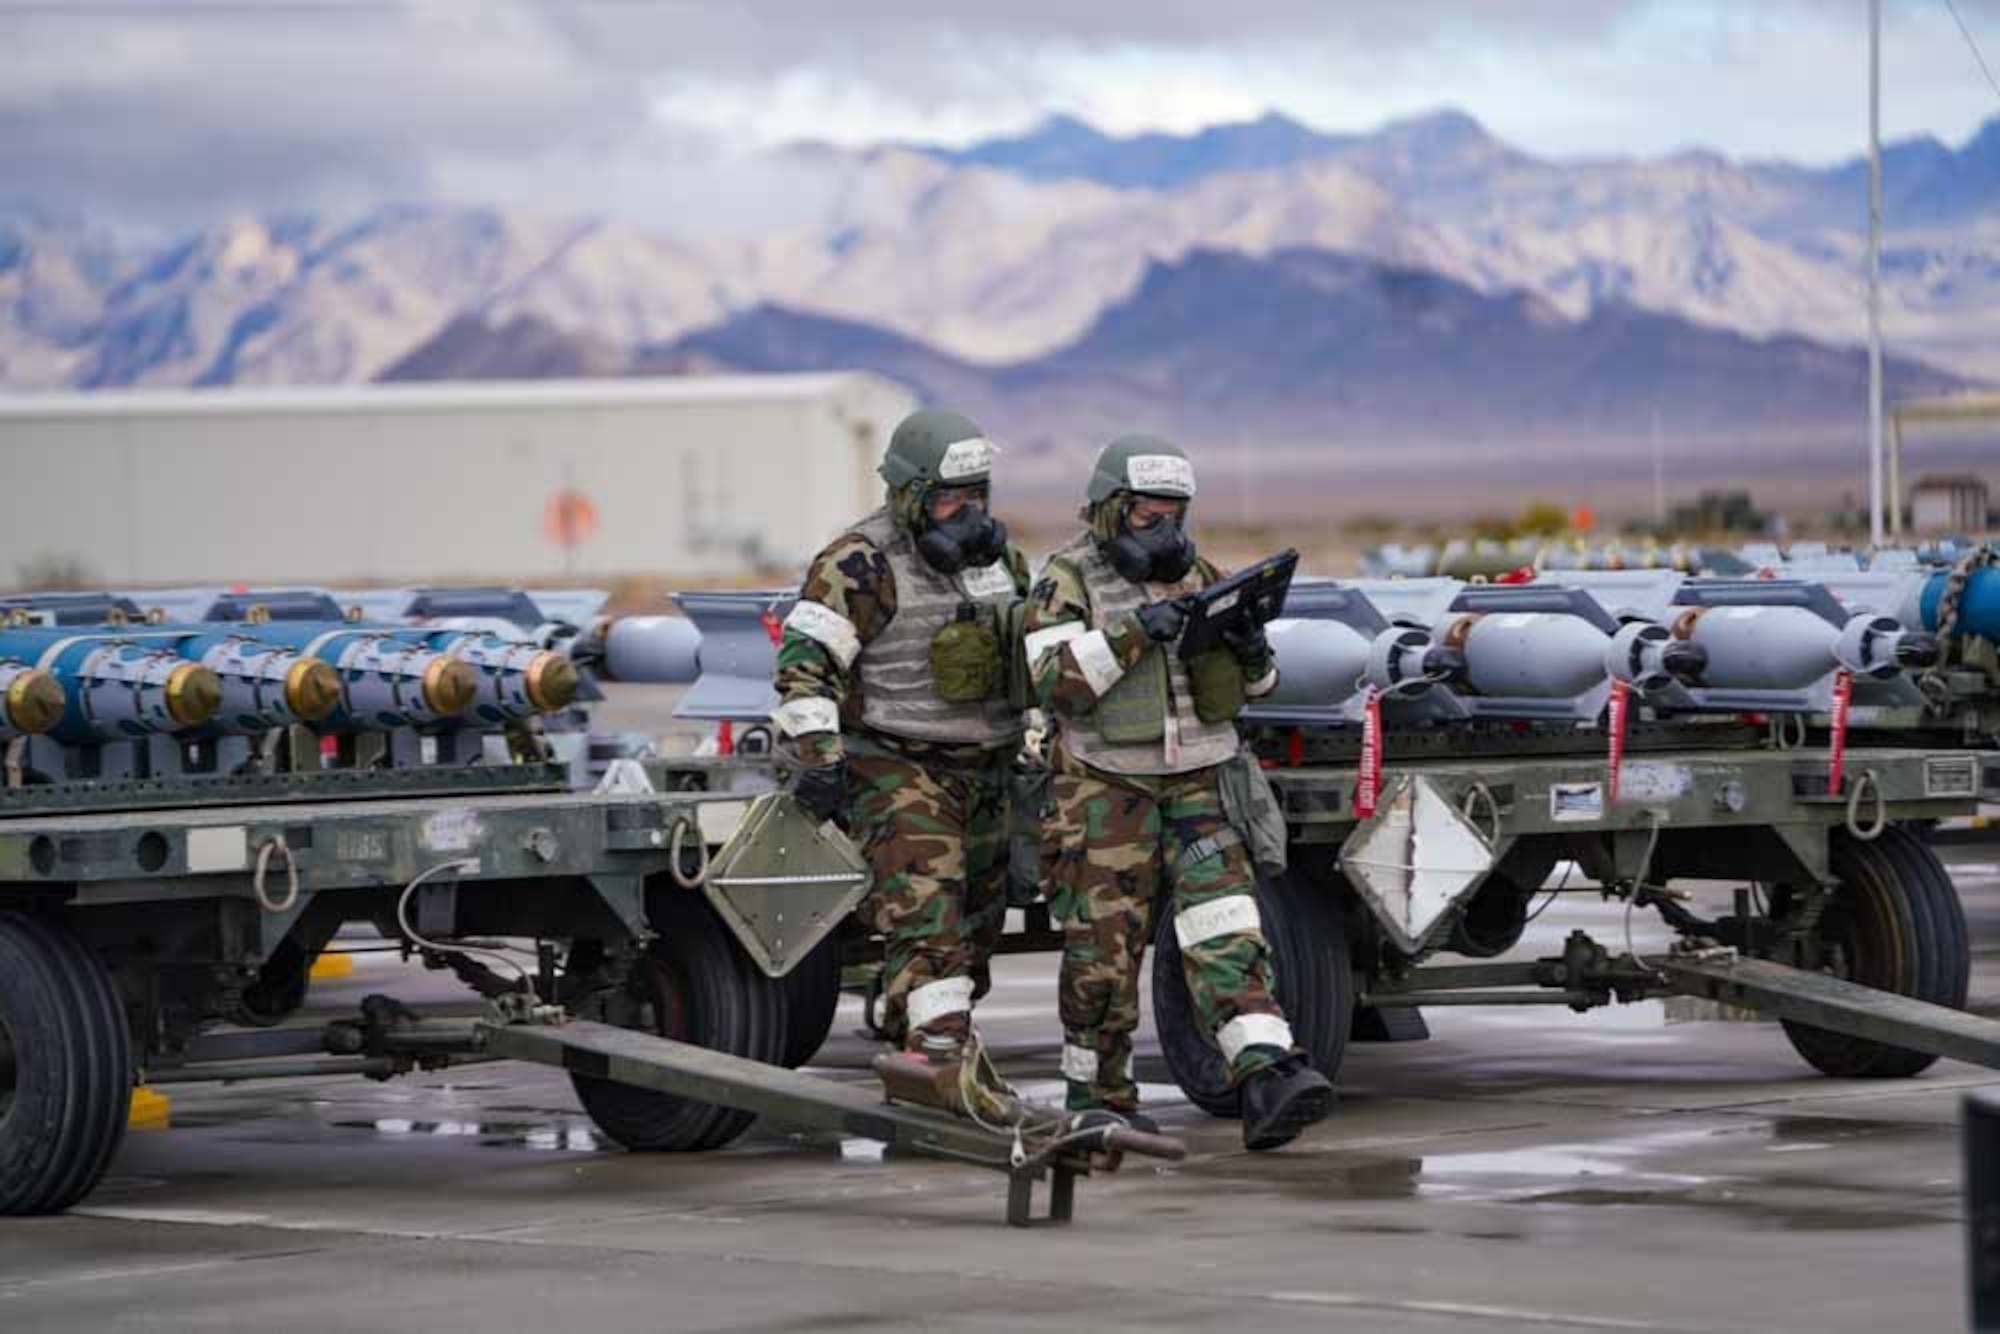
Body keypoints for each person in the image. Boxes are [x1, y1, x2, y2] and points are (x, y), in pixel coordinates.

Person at [1023, 433, 1334, 1150]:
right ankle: (1097, 1097)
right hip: (1105, 791)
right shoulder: (1065, 581)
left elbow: (1252, 690)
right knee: (1104, 953)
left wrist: (1254, 650)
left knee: (1227, 933)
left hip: (1199, 784)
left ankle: (1266, 1075)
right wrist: (1135, 633)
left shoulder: (1200, 574)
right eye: (1145, 516)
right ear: (1108, 512)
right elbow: (1051, 683)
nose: (1162, 530)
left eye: (1173, 514)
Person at [773, 408, 1028, 1062]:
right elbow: (805, 666)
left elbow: (1035, 652)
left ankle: (909, 1021)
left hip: (990, 770)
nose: (966, 514)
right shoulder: (858, 563)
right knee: (930, 925)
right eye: (948, 499)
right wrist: (821, 759)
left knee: (975, 933)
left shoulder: (1000, 565)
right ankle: (938, 1062)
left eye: (976, 497)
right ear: (910, 494)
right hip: (898, 768)